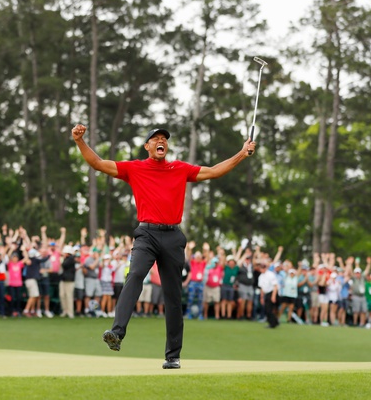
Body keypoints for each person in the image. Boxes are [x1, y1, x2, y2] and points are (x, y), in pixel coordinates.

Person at [72, 124, 255, 369]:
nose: (161, 142)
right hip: (146, 234)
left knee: (173, 296)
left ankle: (172, 356)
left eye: (164, 139)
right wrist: (79, 141)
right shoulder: (135, 168)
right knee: (135, 275)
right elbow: (98, 163)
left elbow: (212, 171)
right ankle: (117, 333)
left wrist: (242, 153)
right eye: (156, 139)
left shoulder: (179, 168)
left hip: (173, 237)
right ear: (147, 146)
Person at [258, 261, 279, 329]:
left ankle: (272, 323)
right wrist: (261, 297)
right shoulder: (261, 276)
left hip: (272, 292)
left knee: (269, 309)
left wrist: (273, 296)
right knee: (267, 309)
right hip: (266, 293)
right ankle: (275, 321)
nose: (262, 269)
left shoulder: (270, 274)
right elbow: (262, 288)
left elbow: (275, 286)